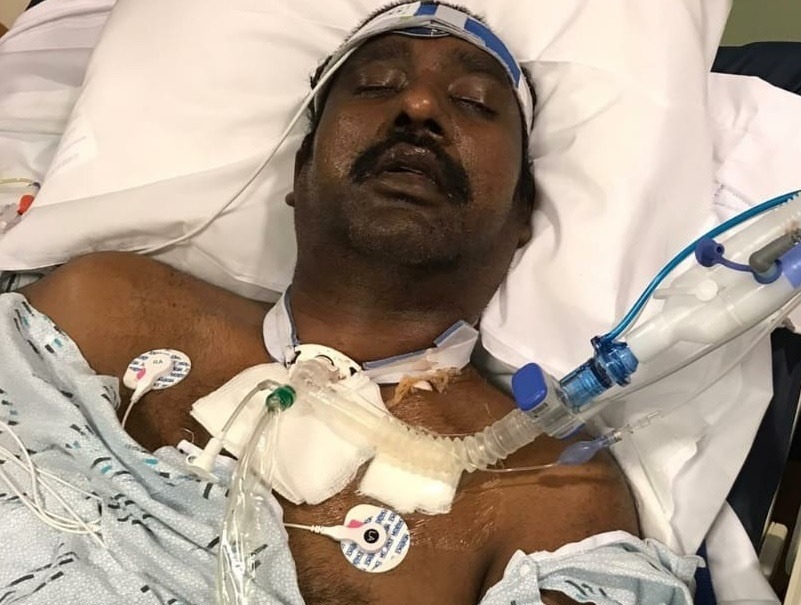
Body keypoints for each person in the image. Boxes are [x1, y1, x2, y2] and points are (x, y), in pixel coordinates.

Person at [19, 3, 643, 603]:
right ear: (300, 172)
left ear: (522, 212)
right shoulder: (103, 307)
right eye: (375, 86)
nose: (419, 106)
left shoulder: (549, 494)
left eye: (475, 102)